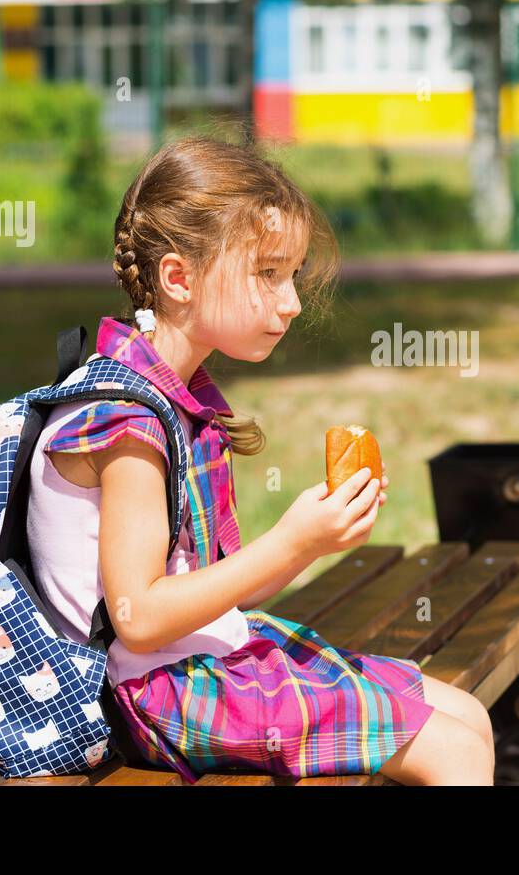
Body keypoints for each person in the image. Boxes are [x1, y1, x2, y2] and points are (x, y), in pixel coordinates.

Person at [25, 134, 495, 785]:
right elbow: (140, 619)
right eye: (266, 273)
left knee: (469, 716)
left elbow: (214, 588)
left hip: (197, 656)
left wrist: (315, 542)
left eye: (292, 275)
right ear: (179, 278)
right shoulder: (130, 427)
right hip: (152, 693)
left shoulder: (175, 398)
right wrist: (291, 543)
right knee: (458, 753)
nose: (292, 302)